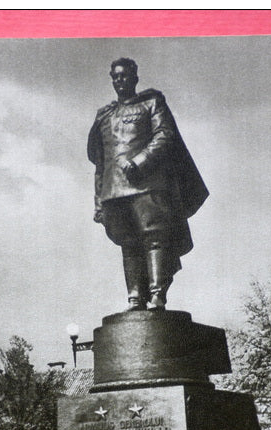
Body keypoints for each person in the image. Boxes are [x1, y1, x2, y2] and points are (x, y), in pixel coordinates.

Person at [87, 58, 209, 311]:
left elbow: (165, 135)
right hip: (114, 191)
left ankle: (157, 295)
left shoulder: (152, 103)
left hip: (147, 185)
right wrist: (98, 200)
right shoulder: (104, 115)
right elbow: (100, 161)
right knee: (128, 243)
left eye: (124, 75)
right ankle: (134, 297)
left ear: (134, 77)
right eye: (115, 77)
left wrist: (140, 161)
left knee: (155, 238)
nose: (119, 80)